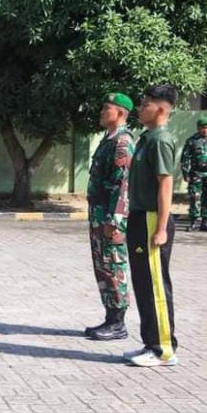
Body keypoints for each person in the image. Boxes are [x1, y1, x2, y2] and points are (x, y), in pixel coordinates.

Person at [123, 84, 179, 367]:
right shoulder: (148, 138)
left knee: (155, 284)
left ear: (160, 109)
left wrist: (161, 227)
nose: (140, 108)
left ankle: (163, 349)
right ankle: (150, 343)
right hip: (139, 217)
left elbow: (165, 184)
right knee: (143, 283)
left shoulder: (160, 140)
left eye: (145, 104)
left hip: (151, 219)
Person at [84, 92, 134, 341]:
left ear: (121, 113)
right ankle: (110, 318)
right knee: (103, 266)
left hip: (110, 217)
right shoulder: (108, 139)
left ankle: (118, 323)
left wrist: (115, 220)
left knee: (114, 266)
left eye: (107, 108)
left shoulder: (122, 142)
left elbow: (123, 184)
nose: (102, 112)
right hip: (99, 213)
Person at [180, 116, 207, 232]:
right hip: (196, 174)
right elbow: (185, 158)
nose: (205, 130)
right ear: (198, 128)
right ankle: (194, 222)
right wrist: (185, 172)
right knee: (195, 197)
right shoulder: (192, 140)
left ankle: (205, 222)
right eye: (202, 128)